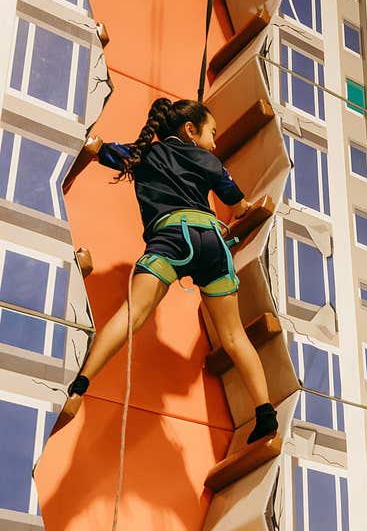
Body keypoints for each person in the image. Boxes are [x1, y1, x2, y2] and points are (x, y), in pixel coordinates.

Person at [54, 97, 279, 444]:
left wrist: (81, 164)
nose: (215, 142)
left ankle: (79, 386)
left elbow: (97, 148)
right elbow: (239, 205)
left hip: (172, 238)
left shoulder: (142, 153)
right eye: (212, 133)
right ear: (190, 130)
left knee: (133, 315)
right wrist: (242, 210)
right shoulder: (208, 159)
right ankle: (266, 414)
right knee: (234, 336)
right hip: (211, 243)